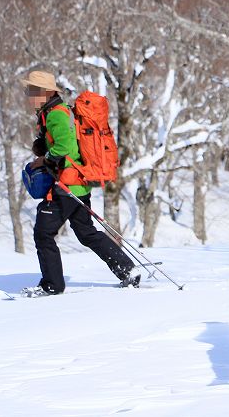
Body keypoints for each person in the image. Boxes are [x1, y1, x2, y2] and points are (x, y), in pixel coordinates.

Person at [21, 70, 139, 296]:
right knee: (86, 233)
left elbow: (65, 147)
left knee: (43, 233)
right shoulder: (52, 112)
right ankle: (127, 270)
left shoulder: (56, 113)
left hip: (65, 186)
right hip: (78, 185)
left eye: (30, 90)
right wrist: (43, 146)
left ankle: (52, 286)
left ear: (44, 93)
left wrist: (43, 160)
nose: (27, 95)